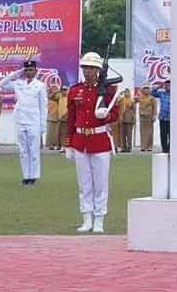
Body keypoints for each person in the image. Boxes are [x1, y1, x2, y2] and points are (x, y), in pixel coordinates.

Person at [64, 51, 119, 233]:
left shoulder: (108, 90)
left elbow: (115, 114)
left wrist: (106, 116)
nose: (88, 71)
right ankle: (86, 218)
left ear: (98, 70)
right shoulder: (74, 90)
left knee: (101, 184)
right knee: (84, 183)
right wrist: (68, 143)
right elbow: (71, 118)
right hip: (80, 140)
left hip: (100, 140)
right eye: (85, 68)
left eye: (92, 68)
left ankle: (99, 220)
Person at [0, 60, 47, 185]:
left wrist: (42, 124)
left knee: (34, 151)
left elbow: (43, 106)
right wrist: (17, 72)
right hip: (20, 120)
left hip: (34, 121)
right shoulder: (18, 83)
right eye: (26, 70)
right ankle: (26, 176)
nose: (29, 72)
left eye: (31, 70)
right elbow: (2, 83)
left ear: (36, 71)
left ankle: (33, 177)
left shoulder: (40, 85)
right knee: (23, 151)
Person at [136, 84, 157, 152]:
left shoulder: (152, 98)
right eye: (145, 88)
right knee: (142, 131)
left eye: (147, 88)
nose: (146, 90)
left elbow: (155, 108)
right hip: (142, 116)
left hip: (149, 116)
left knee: (149, 131)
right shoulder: (140, 97)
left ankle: (149, 146)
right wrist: (138, 93)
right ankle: (143, 146)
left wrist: (154, 115)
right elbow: (133, 100)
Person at [155, 80, 171, 153]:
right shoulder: (162, 94)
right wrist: (159, 86)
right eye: (167, 85)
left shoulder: (175, 95)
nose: (168, 87)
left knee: (171, 134)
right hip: (162, 117)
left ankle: (170, 147)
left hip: (171, 118)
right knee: (163, 133)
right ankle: (164, 148)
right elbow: (152, 93)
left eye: (169, 85)